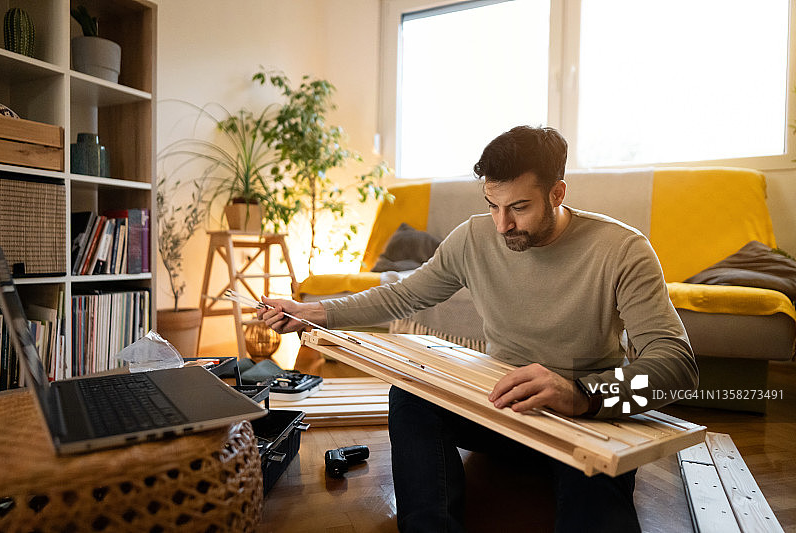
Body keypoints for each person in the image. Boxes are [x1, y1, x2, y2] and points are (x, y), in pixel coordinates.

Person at [259, 125, 699, 532]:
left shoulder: (623, 250)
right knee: (410, 393)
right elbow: (401, 294)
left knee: (596, 498)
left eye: (520, 207)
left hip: (584, 419)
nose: (503, 224)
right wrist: (312, 312)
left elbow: (679, 369)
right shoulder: (474, 237)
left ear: (557, 193)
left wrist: (581, 394)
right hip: (498, 409)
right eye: (493, 205)